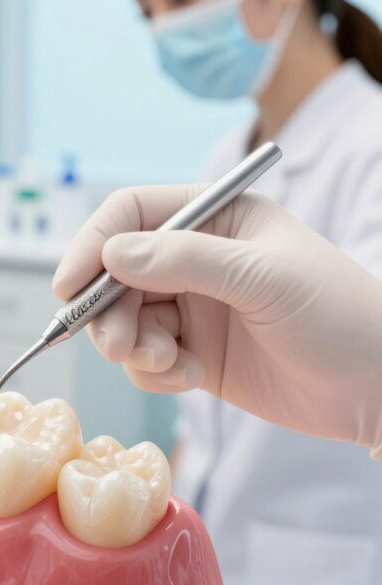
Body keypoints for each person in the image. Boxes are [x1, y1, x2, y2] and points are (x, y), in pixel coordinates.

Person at [82, 0, 382, 582]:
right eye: (149, 15)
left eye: (180, 2)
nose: (166, 28)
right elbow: (202, 423)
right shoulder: (227, 158)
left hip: (330, 553)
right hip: (217, 537)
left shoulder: (374, 146)